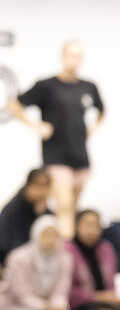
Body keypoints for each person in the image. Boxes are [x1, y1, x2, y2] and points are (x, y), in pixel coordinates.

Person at [9, 41, 105, 238]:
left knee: (72, 208)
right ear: (63, 56)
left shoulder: (88, 87)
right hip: (56, 156)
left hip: (79, 156)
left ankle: (66, 245)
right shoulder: (47, 86)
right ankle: (65, 249)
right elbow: (15, 105)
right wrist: (36, 125)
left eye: (77, 56)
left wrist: (93, 129)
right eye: (70, 55)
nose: (73, 60)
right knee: (64, 207)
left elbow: (102, 110)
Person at [0, 215, 74, 310]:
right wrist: (45, 307)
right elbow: (20, 294)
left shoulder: (65, 259)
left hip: (48, 307)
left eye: (54, 235)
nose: (50, 240)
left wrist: (57, 306)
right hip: (16, 307)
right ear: (36, 234)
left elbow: (61, 290)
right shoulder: (19, 258)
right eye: (46, 234)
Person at [66, 209, 120, 310]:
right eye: (88, 225)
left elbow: (111, 282)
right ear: (77, 226)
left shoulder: (106, 248)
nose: (92, 230)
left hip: (105, 303)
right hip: (77, 306)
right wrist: (96, 297)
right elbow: (67, 290)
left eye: (96, 225)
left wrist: (110, 296)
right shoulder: (67, 251)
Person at [0, 168, 51, 265]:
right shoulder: (14, 209)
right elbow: (8, 245)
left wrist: (40, 213)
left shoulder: (46, 212)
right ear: (28, 185)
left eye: (46, 186)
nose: (42, 191)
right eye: (38, 185)